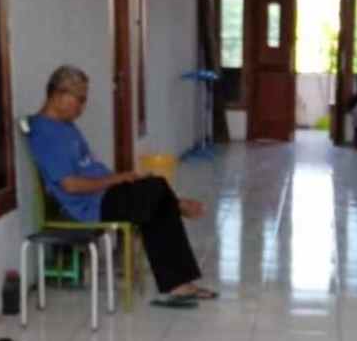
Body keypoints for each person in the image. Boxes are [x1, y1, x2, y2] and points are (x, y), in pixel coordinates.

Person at [27, 65, 216, 305]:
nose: (82, 107)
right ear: (58, 94)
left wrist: (120, 180)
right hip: (90, 207)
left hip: (105, 193)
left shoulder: (66, 126)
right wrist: (115, 179)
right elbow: (71, 185)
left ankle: (178, 283)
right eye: (80, 99)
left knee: (154, 193)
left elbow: (88, 168)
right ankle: (178, 214)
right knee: (156, 190)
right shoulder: (44, 132)